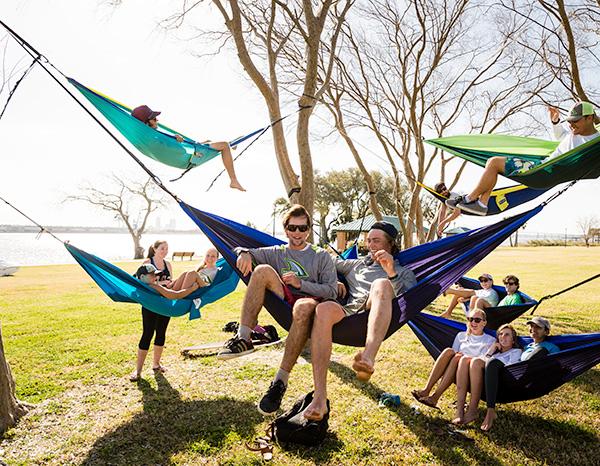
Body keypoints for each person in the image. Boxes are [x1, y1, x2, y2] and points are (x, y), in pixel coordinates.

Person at [215, 205, 337, 413]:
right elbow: (240, 250)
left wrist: (301, 284)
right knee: (261, 270)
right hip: (284, 300)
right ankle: (244, 337)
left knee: (302, 306)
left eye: (302, 228)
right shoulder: (277, 252)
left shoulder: (321, 256)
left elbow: (332, 291)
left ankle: (280, 381)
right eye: (293, 228)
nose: (297, 233)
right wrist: (243, 252)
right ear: (286, 229)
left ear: (309, 229)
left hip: (310, 302)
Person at [301, 222, 417, 421]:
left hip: (378, 310)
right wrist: (331, 279)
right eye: (369, 240)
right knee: (323, 309)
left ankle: (368, 358)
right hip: (350, 313)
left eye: (376, 241)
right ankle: (319, 397)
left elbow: (410, 301)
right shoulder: (356, 264)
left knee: (381, 283)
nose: (370, 245)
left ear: (390, 244)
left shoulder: (403, 271)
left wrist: (391, 272)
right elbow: (323, 261)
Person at [448, 102, 600, 216]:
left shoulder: (595, 142)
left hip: (545, 172)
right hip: (541, 167)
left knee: (494, 163)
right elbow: (561, 136)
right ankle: (482, 203)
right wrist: (555, 121)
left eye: (576, 121)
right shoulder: (575, 134)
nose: (571, 125)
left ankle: (470, 198)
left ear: (590, 118)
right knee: (491, 163)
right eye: (570, 121)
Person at [129, 240, 205, 382]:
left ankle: (156, 364)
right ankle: (138, 371)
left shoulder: (164, 268)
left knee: (161, 333)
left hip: (165, 304)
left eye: (166, 248)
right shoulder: (149, 271)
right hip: (152, 305)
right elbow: (172, 294)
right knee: (147, 334)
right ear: (155, 249)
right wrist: (191, 289)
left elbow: (169, 285)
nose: (155, 277)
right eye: (162, 248)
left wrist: (166, 284)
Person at [131, 105, 246, 191]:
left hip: (187, 155)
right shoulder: (156, 140)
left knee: (210, 142)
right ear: (146, 122)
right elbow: (175, 151)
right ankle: (233, 180)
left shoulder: (148, 138)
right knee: (224, 145)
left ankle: (230, 146)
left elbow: (169, 149)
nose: (157, 120)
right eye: (154, 119)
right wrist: (181, 145)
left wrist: (176, 141)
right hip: (189, 157)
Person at [481, 316, 560, 431]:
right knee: (492, 363)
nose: (533, 329)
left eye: (538, 327)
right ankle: (490, 410)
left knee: (541, 351)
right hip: (513, 376)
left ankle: (491, 412)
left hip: (531, 377)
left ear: (546, 332)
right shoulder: (526, 347)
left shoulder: (551, 347)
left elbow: (558, 364)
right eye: (531, 326)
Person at [412, 308, 495, 410]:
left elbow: (483, 360)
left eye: (477, 320)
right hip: (455, 366)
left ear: (484, 323)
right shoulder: (461, 335)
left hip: (471, 372)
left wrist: (463, 358)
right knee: (449, 351)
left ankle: (435, 397)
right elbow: (454, 353)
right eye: (470, 319)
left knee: (458, 358)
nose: (473, 322)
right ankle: (426, 390)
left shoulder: (489, 340)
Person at [452, 324, 521, 425]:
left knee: (476, 361)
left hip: (501, 382)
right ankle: (463, 409)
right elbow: (482, 359)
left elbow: (511, 369)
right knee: (472, 361)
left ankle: (472, 410)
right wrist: (491, 350)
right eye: (501, 334)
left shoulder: (516, 351)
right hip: (482, 380)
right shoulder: (496, 354)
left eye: (507, 335)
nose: (503, 337)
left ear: (513, 340)